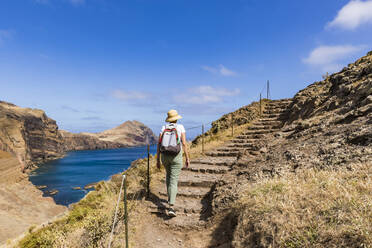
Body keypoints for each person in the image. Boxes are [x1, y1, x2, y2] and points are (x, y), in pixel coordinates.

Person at [156, 109, 190, 217]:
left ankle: (169, 197)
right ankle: (171, 206)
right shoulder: (180, 127)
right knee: (174, 180)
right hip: (176, 156)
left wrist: (157, 160)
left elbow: (159, 144)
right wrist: (187, 158)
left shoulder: (163, 128)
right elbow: (184, 143)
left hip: (165, 156)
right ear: (176, 118)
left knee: (168, 177)